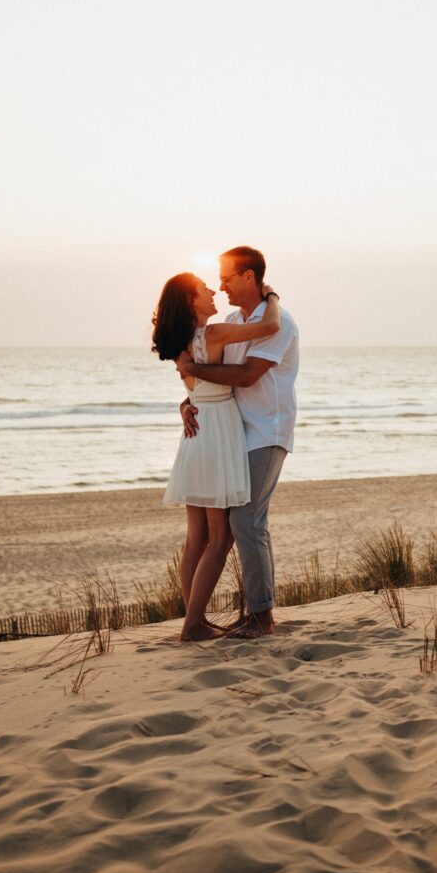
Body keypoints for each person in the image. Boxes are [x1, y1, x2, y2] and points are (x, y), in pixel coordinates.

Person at [176, 246, 299, 638]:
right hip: (230, 435)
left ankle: (262, 619)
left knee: (246, 522)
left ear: (250, 277)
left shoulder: (282, 323)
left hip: (266, 431)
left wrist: (195, 369)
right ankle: (211, 618)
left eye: (227, 277)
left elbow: (247, 376)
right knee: (231, 527)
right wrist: (188, 400)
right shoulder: (230, 321)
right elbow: (210, 378)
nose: (221, 285)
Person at [152, 272, 281, 641]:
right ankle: (193, 624)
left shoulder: (180, 344)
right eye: (202, 290)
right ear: (190, 302)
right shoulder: (212, 335)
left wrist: (185, 405)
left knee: (196, 539)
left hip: (196, 432)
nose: (212, 292)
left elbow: (197, 391)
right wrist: (271, 295)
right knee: (220, 538)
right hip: (218, 432)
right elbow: (270, 326)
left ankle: (194, 618)